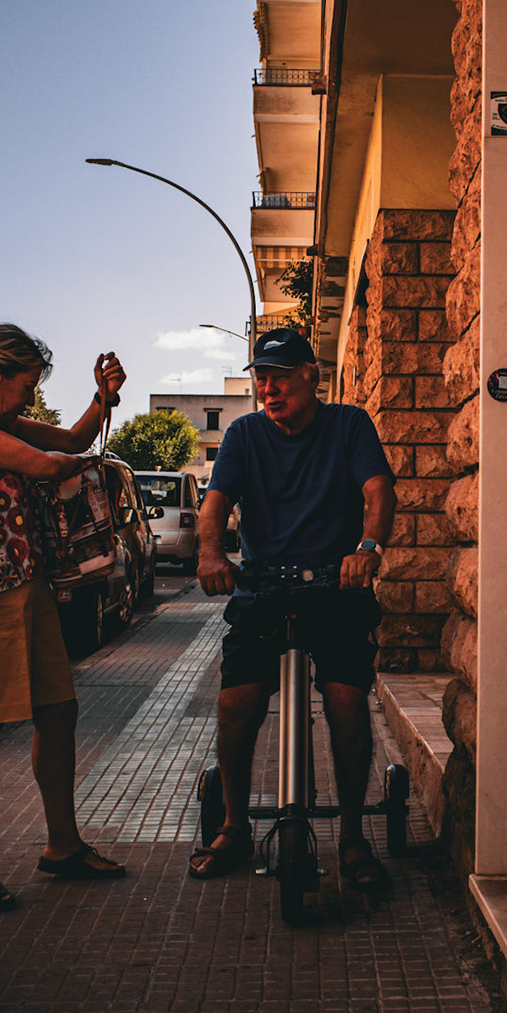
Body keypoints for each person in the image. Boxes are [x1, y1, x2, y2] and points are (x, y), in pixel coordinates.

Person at [0, 324, 129, 912]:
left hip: (26, 584)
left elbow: (67, 440)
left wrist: (103, 399)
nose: (29, 398)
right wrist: (92, 468)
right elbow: (47, 465)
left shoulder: (3, 424)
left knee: (58, 713)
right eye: (25, 386)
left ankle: (62, 846)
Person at [191, 326, 397, 890]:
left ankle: (353, 837)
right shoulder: (244, 435)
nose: (269, 387)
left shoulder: (350, 424)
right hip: (262, 589)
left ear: (312, 375)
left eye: (280, 375)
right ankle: (233, 828)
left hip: (337, 586)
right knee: (236, 704)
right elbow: (215, 504)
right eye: (261, 376)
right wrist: (211, 554)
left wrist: (368, 549)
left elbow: (378, 490)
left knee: (347, 703)